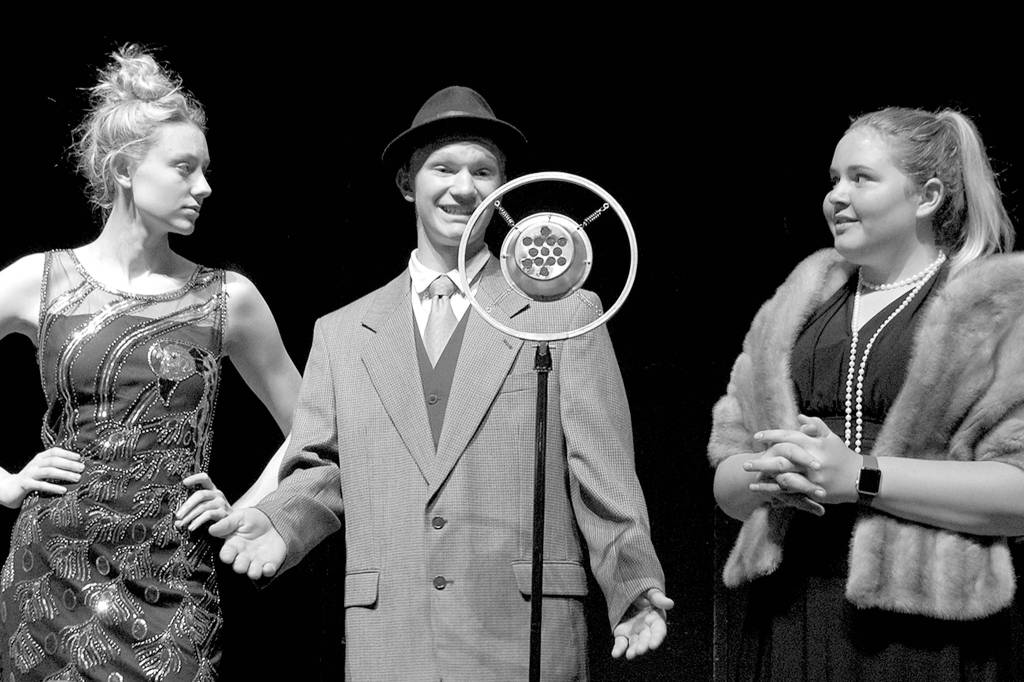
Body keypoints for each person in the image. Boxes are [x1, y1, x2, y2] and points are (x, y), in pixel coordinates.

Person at [209, 85, 672, 680]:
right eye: (443, 168)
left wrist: (632, 587)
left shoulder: (564, 312)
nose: (463, 187)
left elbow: (601, 468)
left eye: (483, 171)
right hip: (392, 636)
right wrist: (281, 522)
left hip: (522, 632)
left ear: (504, 189)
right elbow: (321, 468)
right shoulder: (344, 333)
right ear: (408, 183)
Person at [0, 45, 300, 680]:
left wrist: (250, 506)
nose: (205, 186)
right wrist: (4, 483)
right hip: (52, 573)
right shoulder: (40, 281)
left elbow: (313, 425)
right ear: (127, 169)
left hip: (173, 578)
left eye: (206, 169)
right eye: (185, 168)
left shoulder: (228, 298)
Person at [709, 106, 1023, 680]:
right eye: (833, 179)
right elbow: (727, 485)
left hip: (925, 632)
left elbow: (1019, 493)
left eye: (861, 177)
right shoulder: (791, 310)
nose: (836, 195)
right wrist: (769, 474)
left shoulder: (995, 312)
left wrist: (860, 477)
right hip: (788, 614)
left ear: (926, 197)